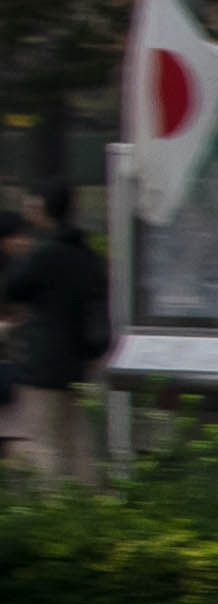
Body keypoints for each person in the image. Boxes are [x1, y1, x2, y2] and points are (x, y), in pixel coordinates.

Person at [0, 202, 113, 477]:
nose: (23, 242)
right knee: (65, 441)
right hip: (53, 366)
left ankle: (55, 507)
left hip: (38, 367)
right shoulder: (81, 256)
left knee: (49, 441)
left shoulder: (39, 260)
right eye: (18, 236)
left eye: (25, 236)